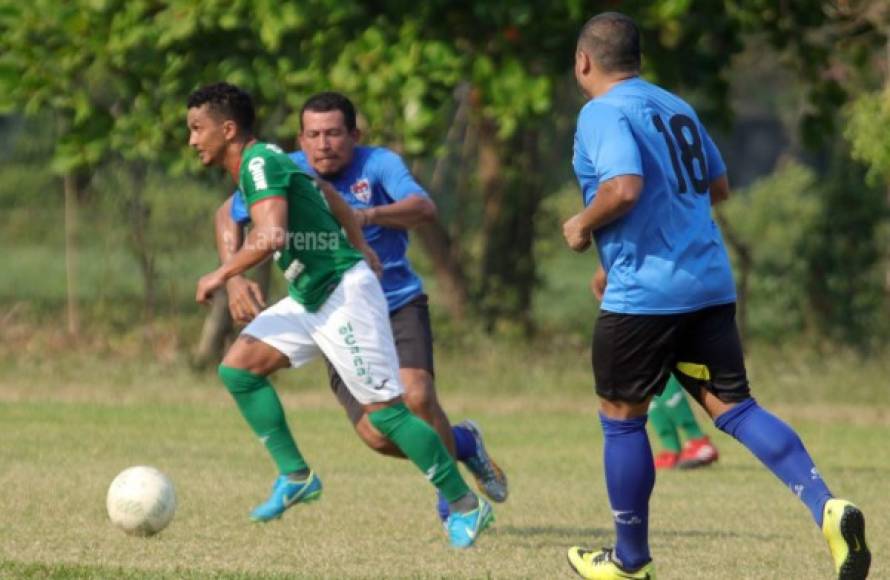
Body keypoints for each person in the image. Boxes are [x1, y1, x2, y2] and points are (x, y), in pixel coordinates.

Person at [563, 13, 869, 580]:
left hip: (645, 298)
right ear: (639, 59)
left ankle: (630, 561)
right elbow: (719, 186)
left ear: (584, 61)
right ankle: (827, 506)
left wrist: (583, 225)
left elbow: (624, 187)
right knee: (737, 407)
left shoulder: (600, 112)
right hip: (707, 286)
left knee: (623, 419)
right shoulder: (675, 106)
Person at [187, 82, 493, 548]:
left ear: (227, 130)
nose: (192, 140)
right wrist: (363, 243)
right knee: (239, 371)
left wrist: (220, 274)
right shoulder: (275, 162)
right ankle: (296, 477)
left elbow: (270, 236)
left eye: (196, 129)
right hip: (311, 296)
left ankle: (467, 506)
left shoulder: (259, 162)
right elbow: (328, 196)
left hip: (342, 297)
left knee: (387, 417)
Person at [591, 268, 719, 470]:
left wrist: (605, 268)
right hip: (639, 286)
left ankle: (696, 439)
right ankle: (671, 447)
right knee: (641, 369)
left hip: (657, 286)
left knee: (657, 363)